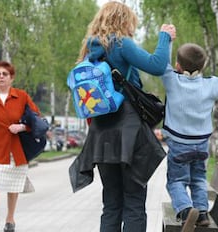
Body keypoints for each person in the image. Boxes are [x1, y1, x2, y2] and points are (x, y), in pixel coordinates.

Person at [68, 2, 175, 232]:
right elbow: (157, 65)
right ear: (123, 20)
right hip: (128, 130)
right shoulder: (120, 43)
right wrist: (165, 37)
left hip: (100, 133)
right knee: (134, 202)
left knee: (111, 204)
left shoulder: (90, 48)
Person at [160, 41, 218, 231]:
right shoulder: (211, 84)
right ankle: (201, 212)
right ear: (202, 67)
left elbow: (162, 63)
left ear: (178, 65)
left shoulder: (172, 80)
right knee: (198, 180)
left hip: (178, 145)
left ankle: (186, 212)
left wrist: (167, 40)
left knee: (176, 181)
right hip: (201, 145)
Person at [0, 61, 39, 232]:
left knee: (12, 184)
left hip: (15, 149)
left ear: (11, 78)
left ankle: (10, 219)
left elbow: (37, 119)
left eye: (5, 74)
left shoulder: (22, 96)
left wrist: (22, 127)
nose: (1, 77)